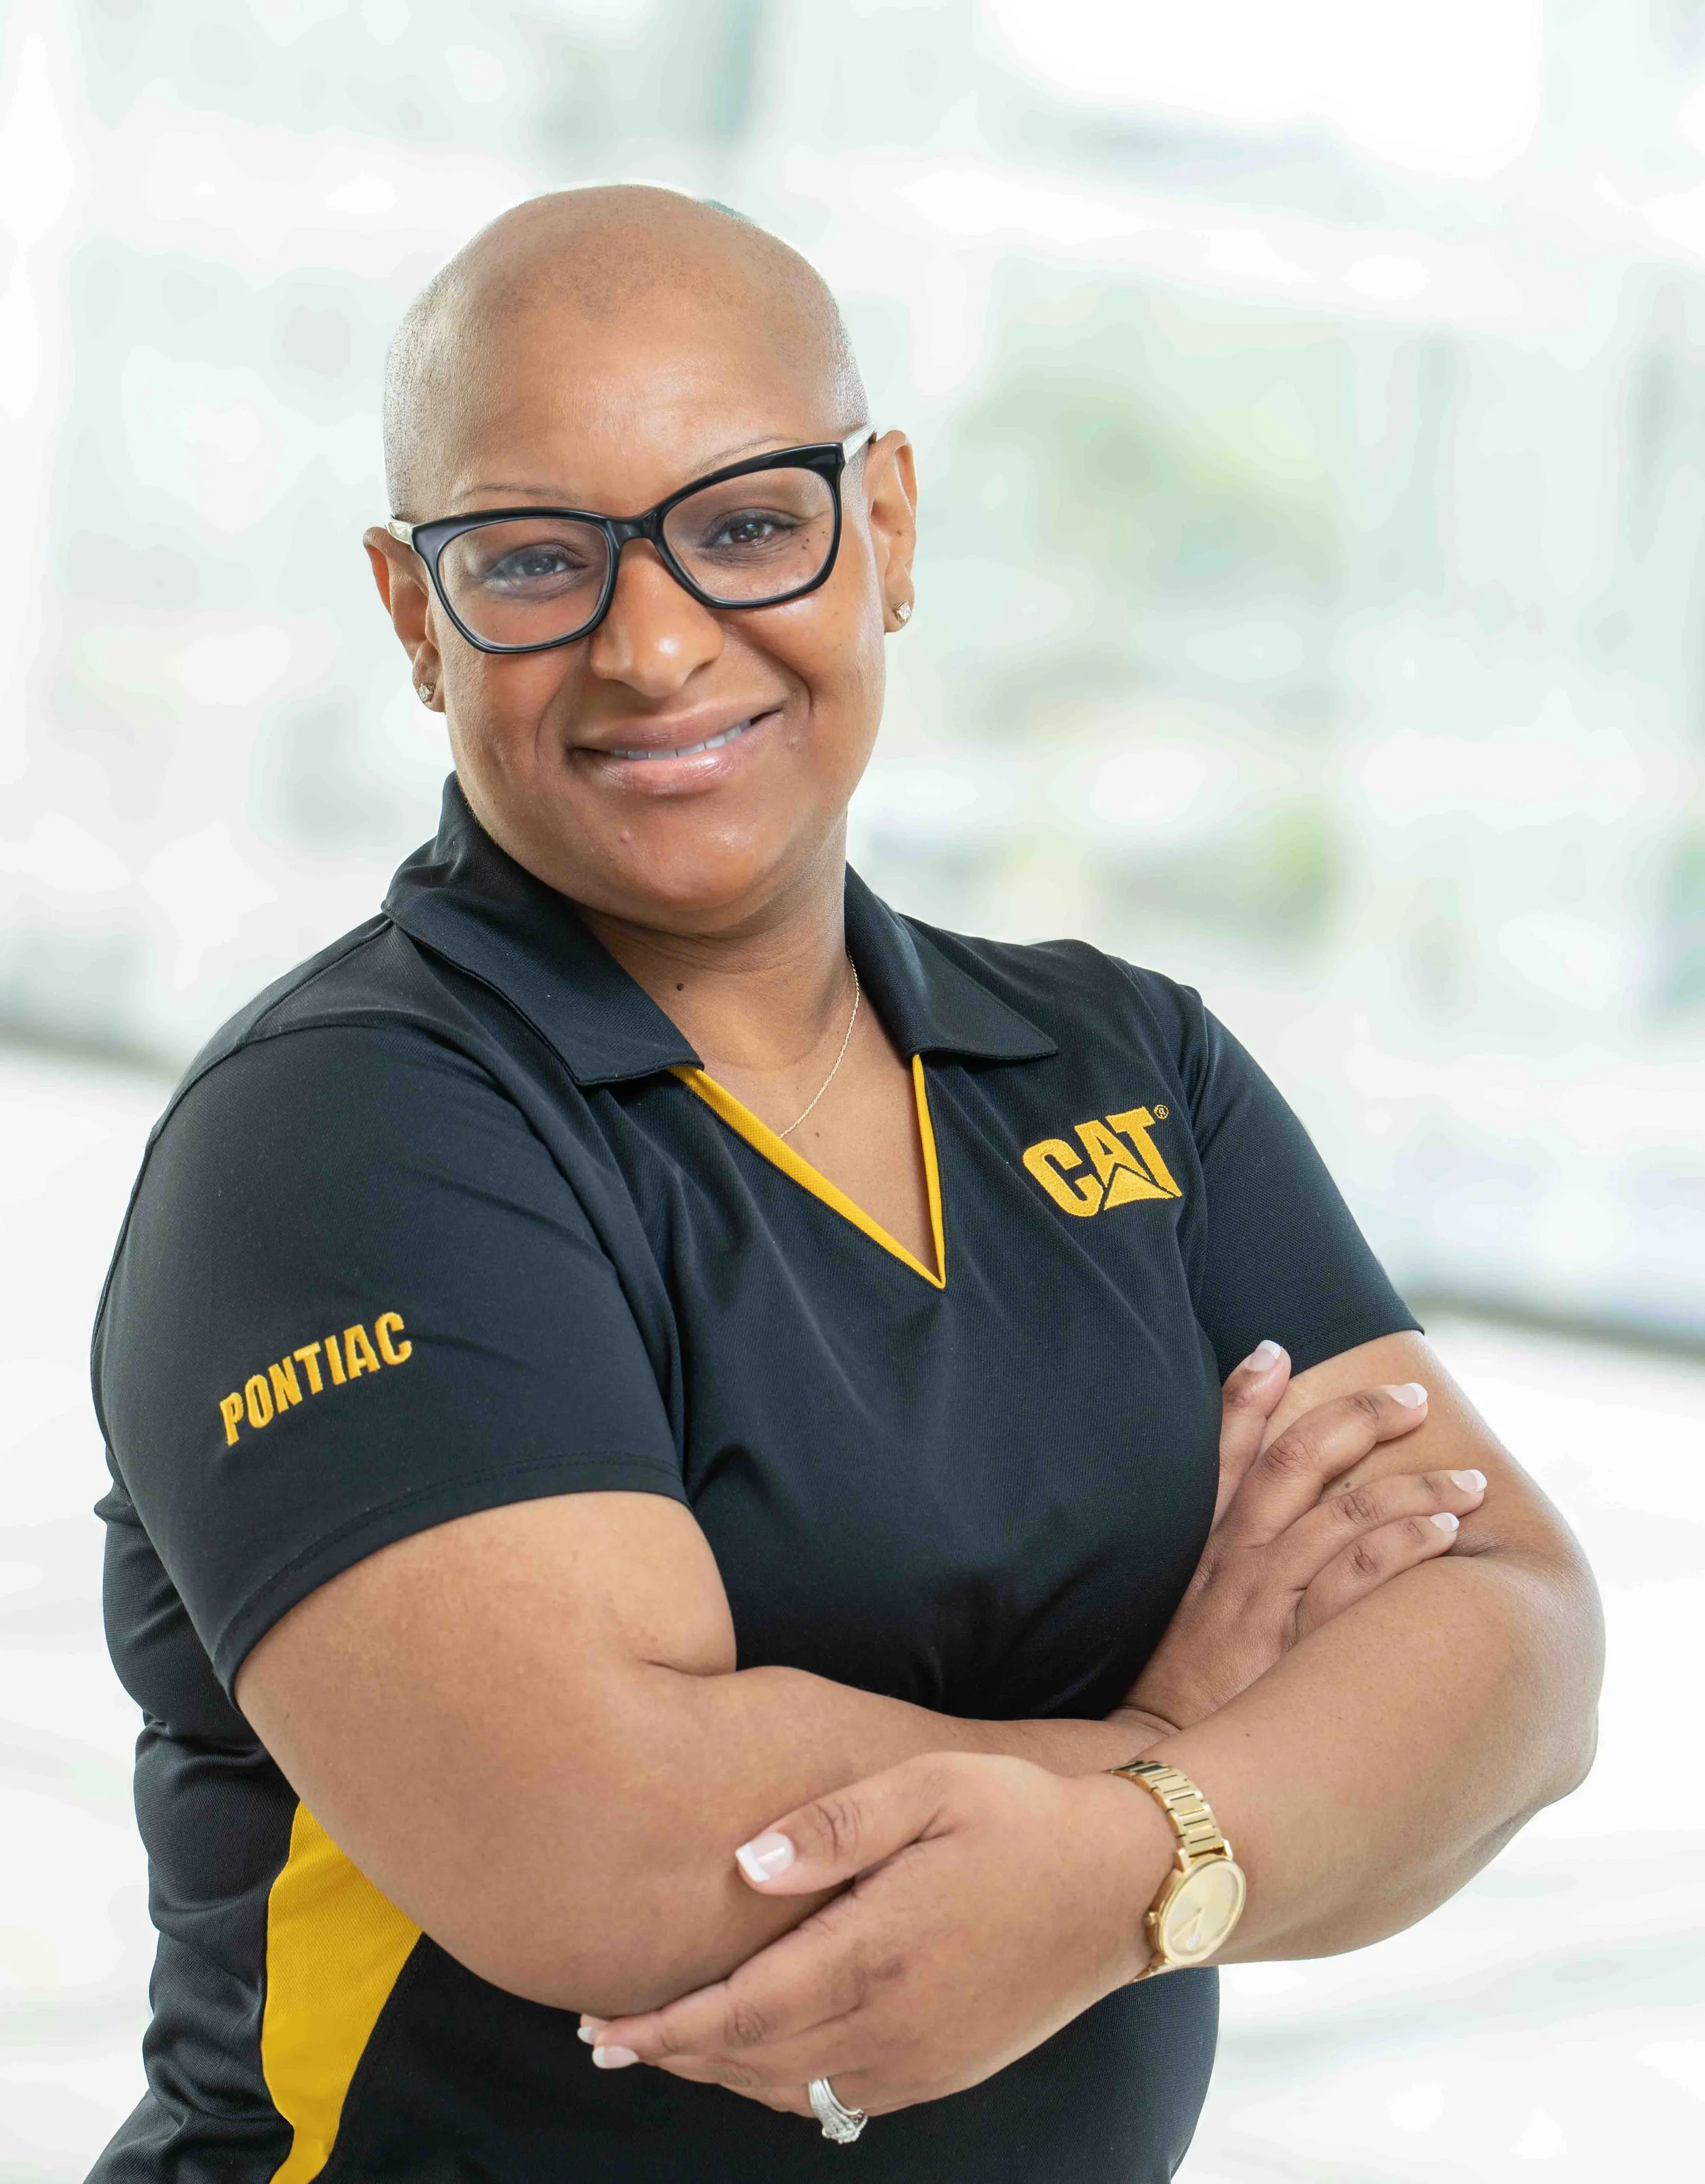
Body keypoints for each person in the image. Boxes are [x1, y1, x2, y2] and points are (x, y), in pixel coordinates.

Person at [89, 187, 1602, 2184]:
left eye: (740, 525)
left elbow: (1514, 1635)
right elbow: (606, 1839)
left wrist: (1122, 1845)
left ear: (881, 528)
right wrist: (1193, 1772)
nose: (649, 646)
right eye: (534, 559)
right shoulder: (350, 1133)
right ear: (410, 613)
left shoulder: (1123, 1066)